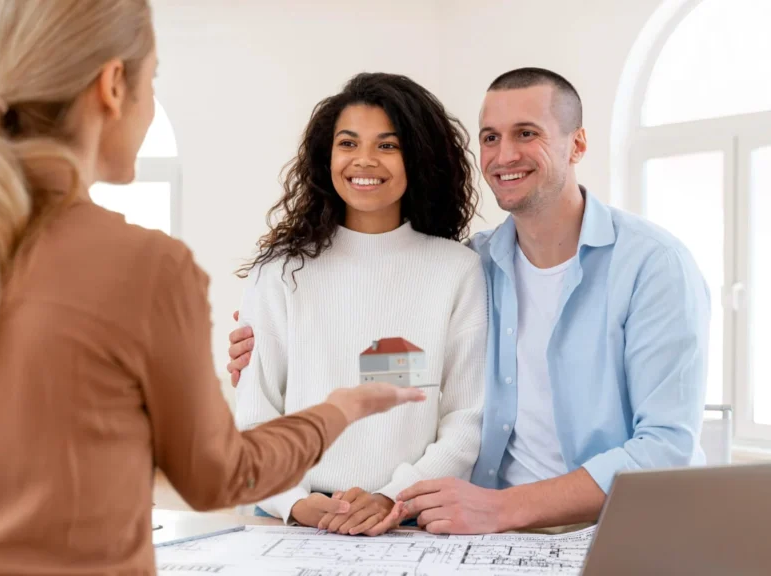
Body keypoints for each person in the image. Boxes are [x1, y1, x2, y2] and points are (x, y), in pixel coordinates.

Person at [0, 2, 424, 574]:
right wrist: (336, 411)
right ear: (113, 86)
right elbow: (219, 476)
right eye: (153, 81)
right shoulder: (150, 268)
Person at [227, 67, 711, 535]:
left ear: (577, 143)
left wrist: (451, 503)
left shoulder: (650, 265)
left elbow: (665, 448)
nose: (505, 155)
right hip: (462, 526)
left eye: (527, 133)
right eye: (491, 137)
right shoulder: (484, 261)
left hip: (596, 527)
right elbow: (279, 404)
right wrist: (296, 496)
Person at [232, 72, 488, 537]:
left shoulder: (457, 270)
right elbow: (254, 418)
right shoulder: (281, 271)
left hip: (411, 520)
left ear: (419, 158)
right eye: (348, 143)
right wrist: (300, 504)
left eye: (388, 146)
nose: (364, 160)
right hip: (292, 522)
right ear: (326, 156)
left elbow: (466, 417)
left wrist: (393, 496)